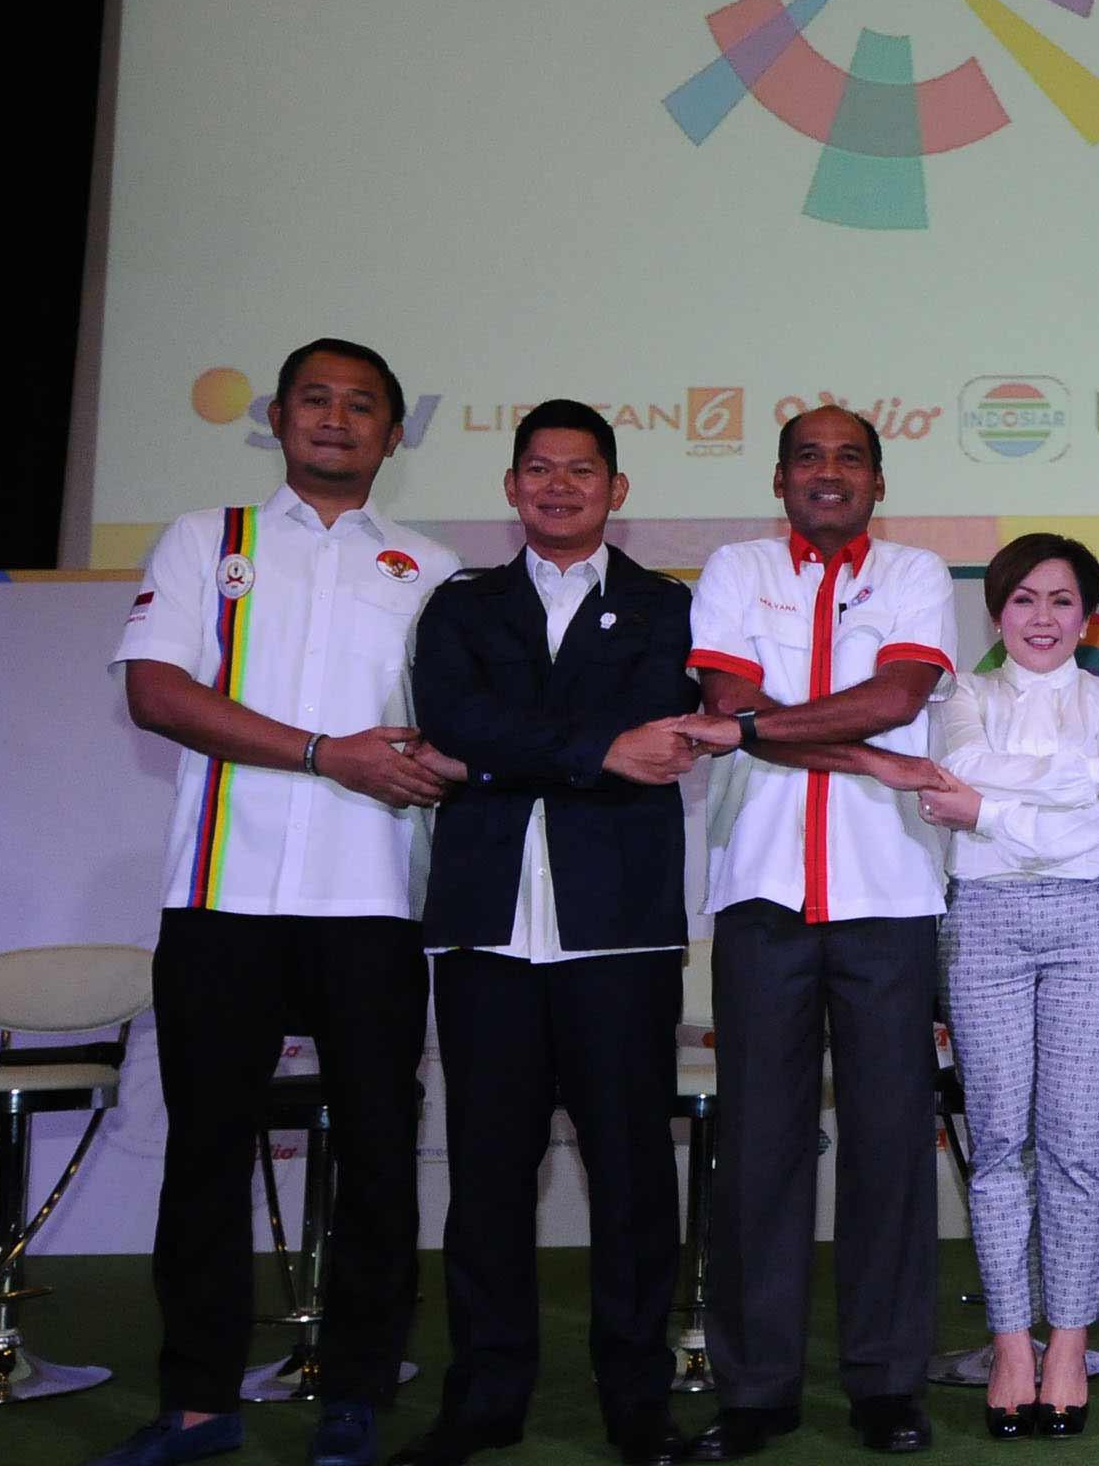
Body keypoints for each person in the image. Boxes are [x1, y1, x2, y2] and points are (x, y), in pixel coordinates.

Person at [101, 337, 463, 1466]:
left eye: (364, 406)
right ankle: (198, 1403)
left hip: (373, 905)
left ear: (394, 436)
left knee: (377, 1152)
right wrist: (323, 753)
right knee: (205, 1152)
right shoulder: (207, 538)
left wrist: (452, 760)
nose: (338, 419)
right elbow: (155, 691)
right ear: (275, 416)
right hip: (221, 897)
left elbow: (462, 732)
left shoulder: (433, 567)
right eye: (317, 398)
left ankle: (356, 1390)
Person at [398, 400, 707, 1466]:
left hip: (616, 928)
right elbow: (452, 719)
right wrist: (596, 751)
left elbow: (658, 726)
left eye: (582, 470)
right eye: (539, 469)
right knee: (487, 1176)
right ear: (511, 486)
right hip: (485, 927)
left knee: (630, 1176)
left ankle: (637, 1400)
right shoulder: (460, 604)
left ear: (617, 490)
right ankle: (483, 1399)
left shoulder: (668, 609)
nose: (560, 485)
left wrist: (503, 754)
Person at [661, 404, 962, 1459]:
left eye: (849, 458)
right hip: (762, 897)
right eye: (807, 456)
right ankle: (755, 1389)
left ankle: (886, 1382)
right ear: (778, 478)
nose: (827, 473)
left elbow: (893, 695)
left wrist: (755, 729)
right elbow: (727, 694)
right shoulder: (736, 569)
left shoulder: (919, 573)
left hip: (888, 900)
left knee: (890, 1146)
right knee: (758, 1149)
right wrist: (830, 738)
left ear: (878, 482)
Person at [913, 534, 1099, 1439]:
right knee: (1002, 1140)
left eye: (1061, 601)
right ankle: (1011, 1340)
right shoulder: (961, 697)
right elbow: (971, 778)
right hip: (984, 924)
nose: (1043, 618)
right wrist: (1085, 782)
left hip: (1094, 922)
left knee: (1078, 1147)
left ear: (1087, 615)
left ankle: (1068, 1342)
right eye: (1023, 600)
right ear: (997, 612)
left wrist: (992, 815)